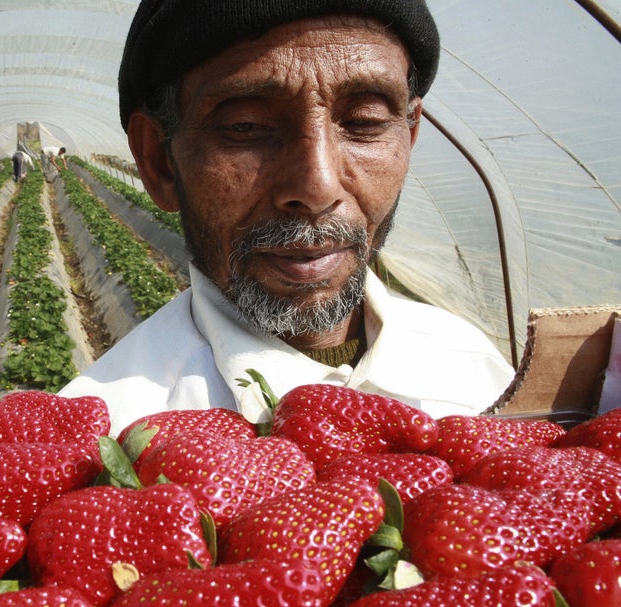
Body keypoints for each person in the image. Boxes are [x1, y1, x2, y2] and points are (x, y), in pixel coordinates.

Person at [59, 0, 515, 433]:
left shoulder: (480, 374)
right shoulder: (112, 445)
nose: (317, 188)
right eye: (246, 127)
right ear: (158, 160)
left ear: (410, 135)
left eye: (365, 121)